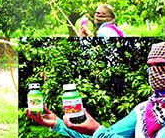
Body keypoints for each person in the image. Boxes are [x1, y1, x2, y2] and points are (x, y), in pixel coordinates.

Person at [26, 42, 165, 137]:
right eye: (151, 67)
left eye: (161, 66)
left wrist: (98, 130)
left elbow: (102, 134)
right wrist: (57, 123)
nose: (155, 73)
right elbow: (102, 134)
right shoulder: (145, 110)